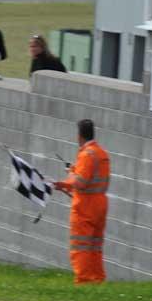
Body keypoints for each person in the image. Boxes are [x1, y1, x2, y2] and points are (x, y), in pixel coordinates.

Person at [53, 120, 110, 284]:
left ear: (79, 135)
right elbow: (92, 179)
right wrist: (73, 170)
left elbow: (81, 183)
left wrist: (63, 183)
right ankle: (97, 279)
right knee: (95, 246)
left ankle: (83, 281)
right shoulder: (101, 154)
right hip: (100, 204)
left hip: (85, 207)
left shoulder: (86, 154)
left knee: (81, 245)